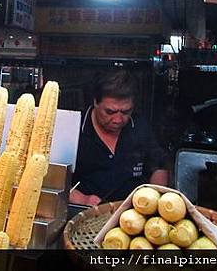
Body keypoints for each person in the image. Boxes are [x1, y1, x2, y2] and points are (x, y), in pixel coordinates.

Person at [70, 69, 170, 206]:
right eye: (110, 112)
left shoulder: (141, 127)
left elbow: (159, 166)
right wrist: (82, 199)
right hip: (84, 212)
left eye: (125, 112)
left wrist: (156, 198)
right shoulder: (73, 127)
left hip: (134, 213)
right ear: (95, 102)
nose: (117, 119)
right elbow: (53, 178)